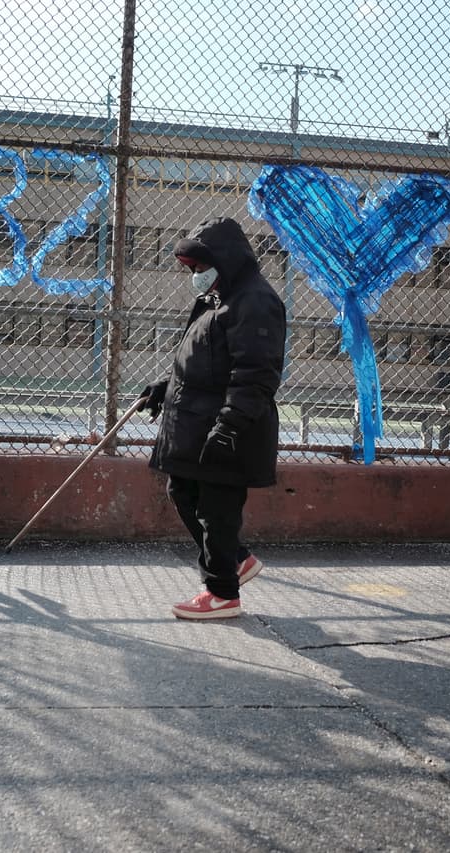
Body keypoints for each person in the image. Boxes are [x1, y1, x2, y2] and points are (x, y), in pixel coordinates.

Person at [140, 217, 287, 620]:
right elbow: (201, 358)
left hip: (225, 428)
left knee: (217, 509)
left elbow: (256, 374)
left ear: (226, 260)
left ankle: (222, 593)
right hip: (192, 422)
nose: (197, 277)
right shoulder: (216, 299)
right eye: (192, 270)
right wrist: (164, 385)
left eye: (201, 268)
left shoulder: (255, 302)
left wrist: (229, 426)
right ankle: (236, 560)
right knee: (182, 491)